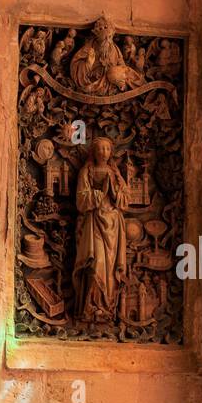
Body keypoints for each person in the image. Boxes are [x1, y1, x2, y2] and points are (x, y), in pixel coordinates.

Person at [72, 136, 129, 320]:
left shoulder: (115, 172)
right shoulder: (86, 172)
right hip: (95, 221)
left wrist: (113, 191)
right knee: (96, 264)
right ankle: (91, 306)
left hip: (113, 222)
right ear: (94, 152)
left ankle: (107, 307)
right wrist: (99, 194)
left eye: (107, 148)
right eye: (100, 148)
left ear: (111, 152)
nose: (104, 152)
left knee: (111, 268)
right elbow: (81, 199)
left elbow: (125, 198)